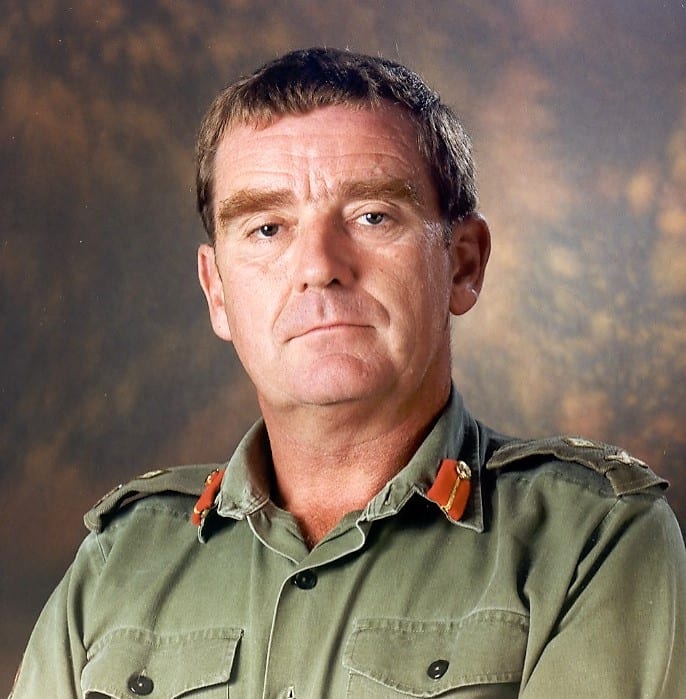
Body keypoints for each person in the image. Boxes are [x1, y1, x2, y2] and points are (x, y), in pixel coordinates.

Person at [11, 47, 686, 698]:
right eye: (267, 228)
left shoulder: (591, 540)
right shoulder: (118, 564)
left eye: (372, 216)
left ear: (463, 263)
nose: (319, 266)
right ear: (217, 291)